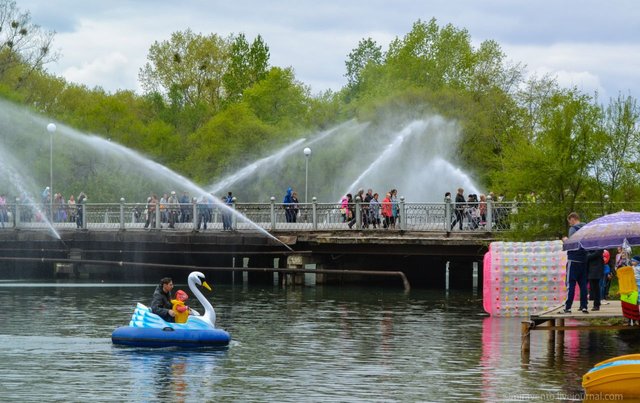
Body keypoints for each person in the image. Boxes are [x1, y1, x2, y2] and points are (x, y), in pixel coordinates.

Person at [562, 212, 589, 314]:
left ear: (572, 219)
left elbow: (573, 243)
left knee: (571, 284)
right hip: (584, 260)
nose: (570, 224)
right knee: (583, 285)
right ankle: (584, 306)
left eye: (570, 222)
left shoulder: (573, 229)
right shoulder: (586, 228)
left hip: (573, 260)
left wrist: (565, 240)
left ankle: (568, 307)